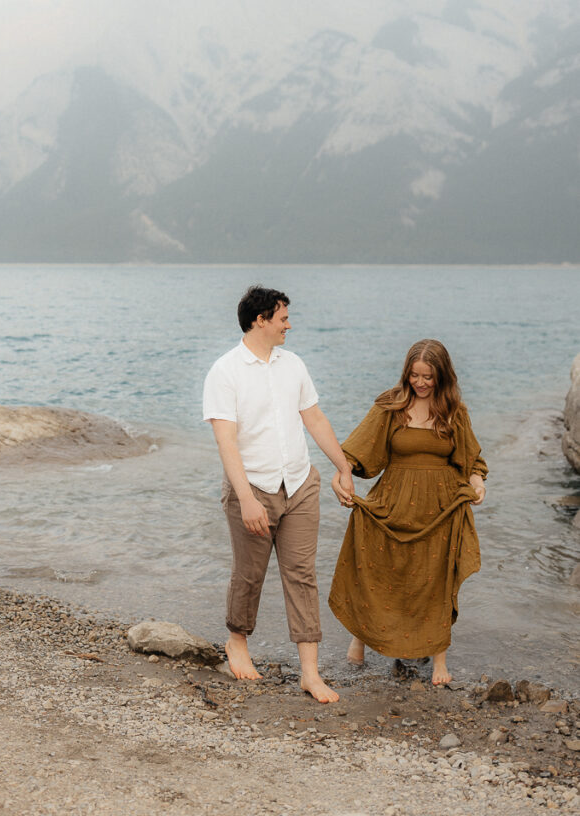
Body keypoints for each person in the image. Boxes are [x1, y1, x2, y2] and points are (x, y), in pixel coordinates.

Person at [203, 285, 351, 703]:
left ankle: (310, 672)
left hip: (300, 484)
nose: (289, 324)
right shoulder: (225, 371)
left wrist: (343, 467)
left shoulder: (294, 365)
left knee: (302, 575)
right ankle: (237, 642)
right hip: (253, 488)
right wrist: (246, 498)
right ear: (260, 320)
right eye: (283, 317)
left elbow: (315, 418)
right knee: (250, 574)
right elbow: (226, 442)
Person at [328, 339, 487, 686]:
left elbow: (472, 459)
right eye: (414, 375)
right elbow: (358, 449)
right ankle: (361, 638)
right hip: (393, 499)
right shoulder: (391, 405)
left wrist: (477, 483)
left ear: (441, 376)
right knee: (379, 569)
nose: (420, 382)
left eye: (428, 376)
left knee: (436, 581)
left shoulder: (454, 411)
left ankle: (439, 656)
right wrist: (342, 473)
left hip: (441, 509)